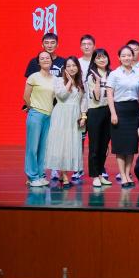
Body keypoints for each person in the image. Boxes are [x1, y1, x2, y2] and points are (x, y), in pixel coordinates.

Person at [107, 45, 139, 188]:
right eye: (123, 56)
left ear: (133, 56)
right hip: (119, 110)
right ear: (119, 58)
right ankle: (122, 175)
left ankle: (128, 174)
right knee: (120, 146)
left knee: (131, 146)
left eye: (129, 55)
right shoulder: (114, 74)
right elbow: (110, 94)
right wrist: (113, 113)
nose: (127, 58)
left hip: (133, 111)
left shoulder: (138, 74)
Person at [46, 55, 86, 186]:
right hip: (61, 115)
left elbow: (83, 101)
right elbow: (61, 96)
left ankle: (66, 173)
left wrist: (83, 116)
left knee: (71, 144)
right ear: (64, 68)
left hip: (75, 116)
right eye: (68, 66)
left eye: (74, 65)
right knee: (62, 144)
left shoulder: (81, 82)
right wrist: (69, 81)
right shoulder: (58, 80)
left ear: (78, 67)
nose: (71, 68)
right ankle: (63, 175)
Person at [84, 48, 113, 187]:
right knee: (94, 146)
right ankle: (95, 175)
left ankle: (100, 173)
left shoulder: (112, 74)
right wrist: (98, 82)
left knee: (104, 146)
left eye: (104, 57)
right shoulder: (91, 76)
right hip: (95, 111)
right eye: (98, 57)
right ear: (94, 60)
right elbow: (96, 97)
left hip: (109, 111)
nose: (102, 60)